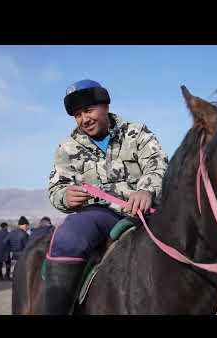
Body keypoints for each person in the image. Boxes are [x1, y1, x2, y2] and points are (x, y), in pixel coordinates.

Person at [45, 79, 169, 314]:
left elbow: (158, 164)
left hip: (144, 213)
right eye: (78, 114)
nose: (84, 119)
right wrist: (64, 196)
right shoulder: (67, 148)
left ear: (105, 106)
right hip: (98, 214)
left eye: (89, 110)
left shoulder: (137, 132)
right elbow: (56, 187)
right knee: (67, 238)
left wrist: (147, 190)